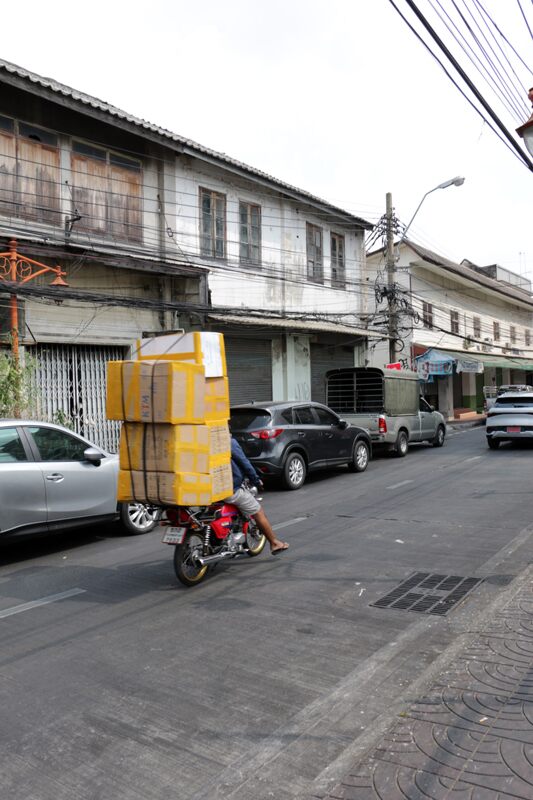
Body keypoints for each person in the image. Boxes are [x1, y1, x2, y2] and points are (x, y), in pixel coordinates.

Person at [225, 437, 289, 555]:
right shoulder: (227, 441)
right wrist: (256, 480)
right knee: (258, 511)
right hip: (229, 490)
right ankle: (274, 543)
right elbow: (244, 462)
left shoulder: (198, 441)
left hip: (203, 492)